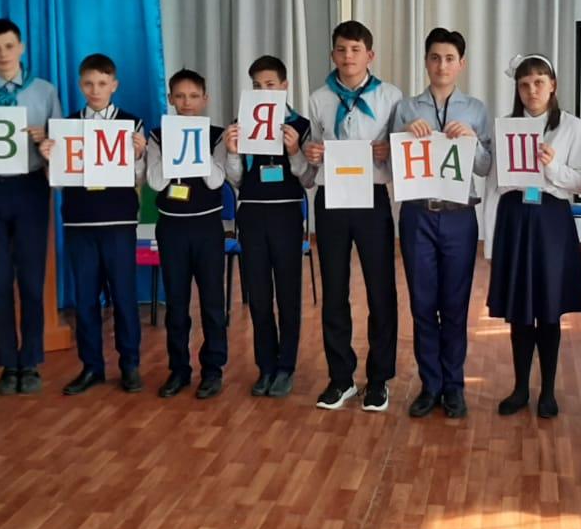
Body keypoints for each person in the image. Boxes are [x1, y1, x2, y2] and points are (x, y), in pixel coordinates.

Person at [390, 28, 493, 419]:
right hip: (417, 214)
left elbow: (485, 166)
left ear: (461, 64)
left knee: (454, 304)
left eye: (449, 58)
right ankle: (429, 384)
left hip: (459, 215)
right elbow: (392, 164)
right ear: (426, 62)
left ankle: (454, 386)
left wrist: (472, 140)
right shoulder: (406, 108)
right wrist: (404, 135)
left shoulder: (476, 109)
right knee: (422, 304)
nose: (442, 65)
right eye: (435, 57)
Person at [302, 21, 403, 412]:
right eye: (341, 49)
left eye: (356, 49)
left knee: (381, 291)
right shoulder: (318, 99)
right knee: (334, 292)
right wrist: (311, 154)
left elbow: (401, 154)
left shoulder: (391, 97)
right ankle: (340, 377)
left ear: (370, 55)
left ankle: (378, 379)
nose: (348, 57)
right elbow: (313, 152)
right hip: (331, 199)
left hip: (372, 198)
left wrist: (389, 152)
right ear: (333, 54)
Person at [0, 18, 63, 396]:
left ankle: (30, 359)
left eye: (8, 46)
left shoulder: (44, 91)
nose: (2, 54)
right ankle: (8, 362)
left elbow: (60, 148)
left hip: (31, 187)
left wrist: (46, 141)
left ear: (21, 47)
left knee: (32, 280)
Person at [487, 54, 581, 419]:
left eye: (539, 82)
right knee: (520, 308)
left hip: (551, 218)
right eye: (524, 84)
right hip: (516, 215)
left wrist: (552, 166)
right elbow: (497, 179)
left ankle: (547, 390)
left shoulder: (571, 126)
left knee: (548, 306)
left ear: (553, 85)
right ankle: (520, 388)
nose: (532, 90)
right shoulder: (506, 126)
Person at [40, 54, 147, 396]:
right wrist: (49, 159)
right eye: (88, 83)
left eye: (102, 83)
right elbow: (58, 183)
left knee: (124, 297)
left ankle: (130, 365)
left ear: (114, 85)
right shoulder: (66, 126)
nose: (95, 90)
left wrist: (139, 156)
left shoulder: (132, 124)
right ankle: (91, 366)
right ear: (79, 85)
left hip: (118, 221)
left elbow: (139, 179)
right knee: (85, 299)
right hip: (80, 221)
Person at [223, 55, 311, 399]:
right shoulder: (241, 124)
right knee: (259, 297)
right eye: (257, 85)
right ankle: (266, 366)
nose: (263, 91)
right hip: (252, 217)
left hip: (287, 216)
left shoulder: (300, 125)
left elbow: (307, 178)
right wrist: (232, 151)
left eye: (270, 84)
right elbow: (236, 179)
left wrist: (294, 150)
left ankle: (286, 366)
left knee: (288, 296)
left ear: (284, 86)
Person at [145, 69, 228, 399]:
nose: (187, 102)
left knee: (212, 303)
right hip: (172, 228)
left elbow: (216, 180)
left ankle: (213, 370)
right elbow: (155, 182)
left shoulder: (217, 135)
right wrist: (175, 145)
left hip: (207, 227)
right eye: (179, 96)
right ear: (170, 99)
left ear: (205, 99)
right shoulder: (157, 136)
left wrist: (195, 145)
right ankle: (179, 369)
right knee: (177, 305)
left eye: (194, 96)